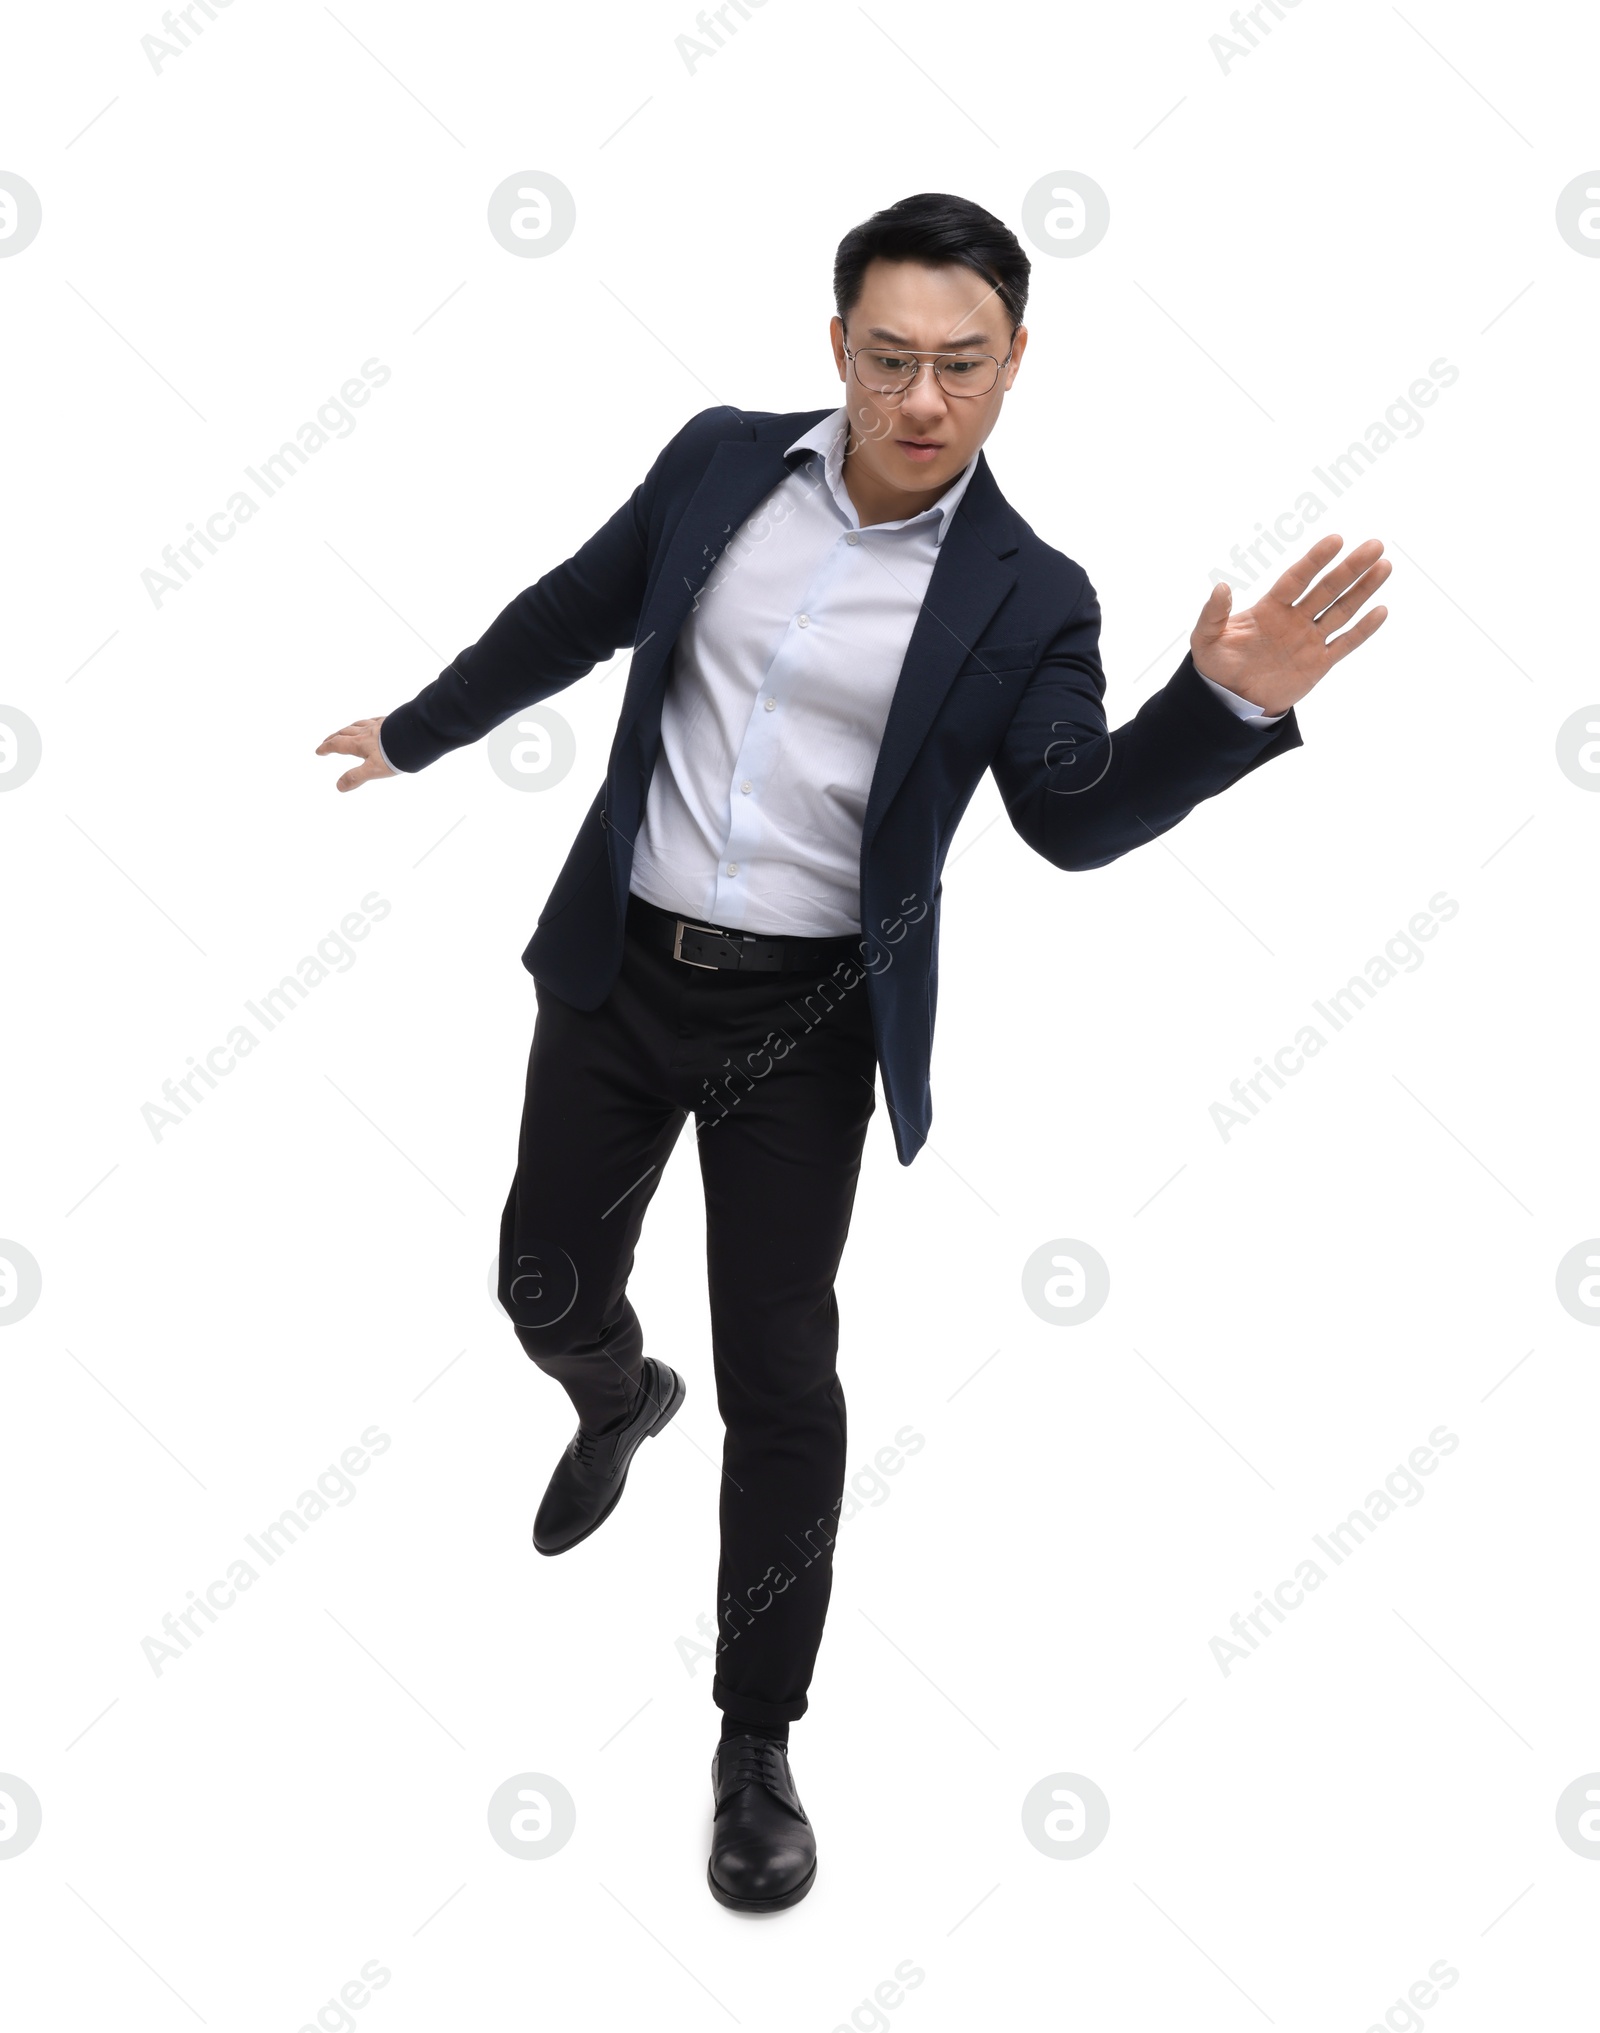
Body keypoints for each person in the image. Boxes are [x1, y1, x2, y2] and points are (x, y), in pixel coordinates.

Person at [317, 192, 1390, 1912]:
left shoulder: (1032, 594)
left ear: (1016, 364)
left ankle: (755, 1740)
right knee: (536, 1282)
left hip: (803, 1025)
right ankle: (615, 1393)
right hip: (617, 970)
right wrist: (423, 729)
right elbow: (578, 607)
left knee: (785, 1380)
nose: (922, 399)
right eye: (889, 357)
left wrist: (1224, 707)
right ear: (837, 346)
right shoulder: (718, 463)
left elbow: (1073, 817)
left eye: (963, 365)